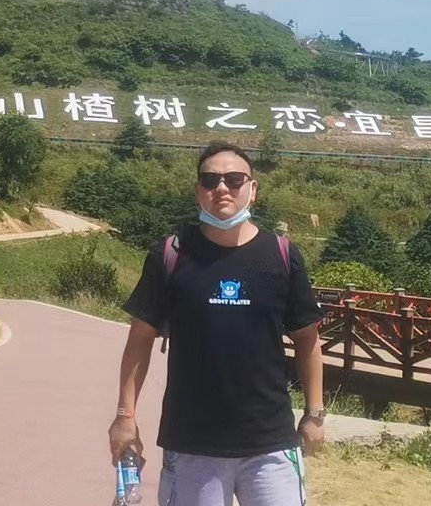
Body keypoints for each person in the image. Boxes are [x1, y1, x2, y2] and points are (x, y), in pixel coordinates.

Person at [109, 141, 325, 506]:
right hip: (193, 444)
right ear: (198, 191)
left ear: (252, 190)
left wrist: (314, 414)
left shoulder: (282, 255)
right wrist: (124, 416)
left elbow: (308, 339)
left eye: (234, 179)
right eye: (210, 180)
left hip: (271, 445)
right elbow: (140, 340)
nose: (221, 188)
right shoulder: (171, 254)